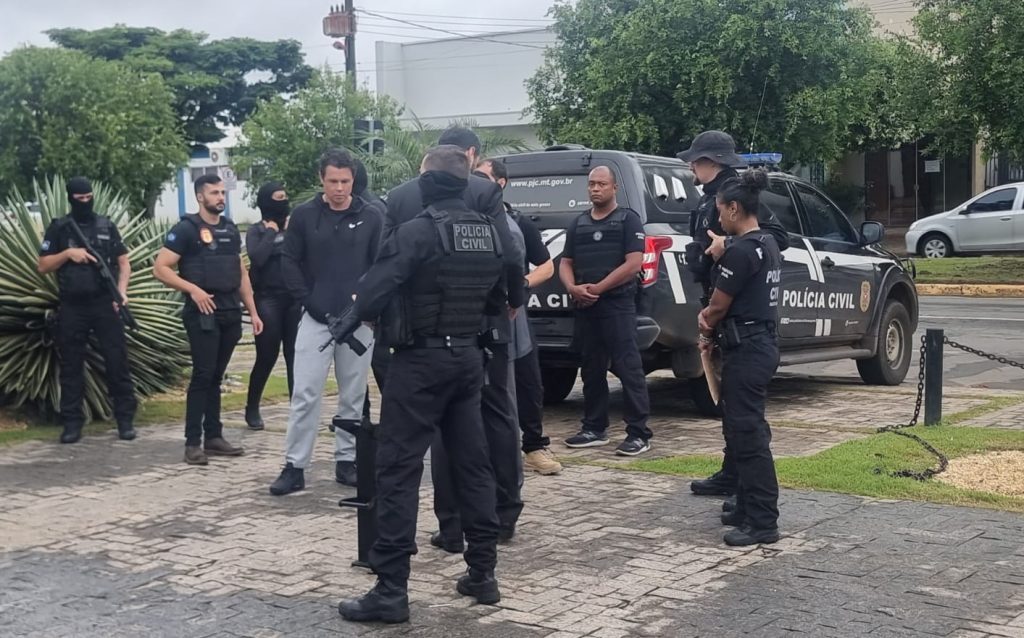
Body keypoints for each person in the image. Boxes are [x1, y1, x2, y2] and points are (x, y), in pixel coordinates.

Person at [333, 145, 519, 623]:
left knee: (398, 470)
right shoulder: (489, 232)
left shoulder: (417, 232)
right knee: (473, 466)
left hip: (419, 363)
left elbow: (374, 289)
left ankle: (391, 589)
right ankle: (483, 573)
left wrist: (364, 313)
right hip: (468, 362)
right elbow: (507, 291)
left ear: (427, 186)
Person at [385, 127, 526, 551]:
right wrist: (511, 301)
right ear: (468, 156)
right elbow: (510, 254)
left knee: (439, 434)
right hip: (482, 325)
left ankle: (450, 527)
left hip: (419, 333)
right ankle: (501, 518)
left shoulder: (399, 196)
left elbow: (384, 259)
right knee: (495, 418)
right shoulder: (483, 191)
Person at [677, 130, 790, 499]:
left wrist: (729, 245)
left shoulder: (736, 194)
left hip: (737, 309)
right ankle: (733, 473)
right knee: (730, 403)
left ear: (713, 163)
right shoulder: (709, 197)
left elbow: (774, 236)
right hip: (718, 298)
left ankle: (743, 482)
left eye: (696, 160)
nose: (691, 166)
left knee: (743, 411)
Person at [268, 149, 381, 495]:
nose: (339, 188)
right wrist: (310, 302)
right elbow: (289, 262)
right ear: (322, 179)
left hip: (357, 320)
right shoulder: (303, 216)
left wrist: (363, 306)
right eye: (333, 181)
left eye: (345, 181)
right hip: (316, 318)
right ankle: (295, 465)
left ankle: (346, 460)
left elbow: (379, 265)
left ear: (353, 180)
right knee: (304, 392)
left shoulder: (372, 216)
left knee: (353, 393)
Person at [697, 170, 782, 546]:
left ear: (734, 208)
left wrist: (704, 325)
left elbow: (716, 307)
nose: (718, 219)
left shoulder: (743, 250)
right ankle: (747, 507)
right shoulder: (766, 242)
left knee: (748, 436)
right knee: (744, 430)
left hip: (747, 349)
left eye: (720, 211)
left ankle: (763, 521)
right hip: (758, 345)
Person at [153, 174, 263, 465]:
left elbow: (240, 272)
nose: (220, 198)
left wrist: (252, 310)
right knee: (203, 375)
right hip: (202, 312)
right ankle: (192, 442)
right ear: (200, 197)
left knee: (217, 375)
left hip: (229, 310)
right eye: (214, 193)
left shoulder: (228, 228)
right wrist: (193, 290)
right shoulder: (186, 229)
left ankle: (214, 436)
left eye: (222, 193)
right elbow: (161, 267)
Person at [476, 158, 562, 476]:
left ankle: (534, 447)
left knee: (528, 382)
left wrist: (520, 286)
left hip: (514, 314)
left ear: (501, 183)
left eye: (483, 177)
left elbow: (546, 266)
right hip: (481, 318)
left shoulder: (516, 222)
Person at [560, 166, 653, 456]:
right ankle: (594, 428)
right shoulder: (579, 223)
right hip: (585, 307)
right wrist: (573, 288)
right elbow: (565, 261)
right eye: (591, 184)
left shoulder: (628, 220)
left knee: (628, 368)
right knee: (591, 368)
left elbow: (633, 264)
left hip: (617, 305)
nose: (595, 189)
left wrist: (597, 289)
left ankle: (638, 433)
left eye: (601, 184)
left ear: (614, 188)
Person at [38, 177, 137, 444]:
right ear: (70, 198)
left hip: (104, 303)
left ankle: (125, 420)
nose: (85, 202)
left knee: (117, 362)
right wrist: (68, 254)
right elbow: (44, 265)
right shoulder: (59, 228)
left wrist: (122, 292)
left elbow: (124, 263)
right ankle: (72, 423)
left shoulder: (106, 225)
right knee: (71, 366)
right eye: (79, 198)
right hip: (72, 306)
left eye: (88, 197)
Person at [243, 183, 300, 430]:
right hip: (267, 299)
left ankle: (298, 410)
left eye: (285, 198)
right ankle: (252, 406)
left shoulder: (294, 229)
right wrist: (271, 232)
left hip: (293, 299)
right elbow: (258, 257)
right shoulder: (256, 231)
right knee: (267, 356)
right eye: (278, 199)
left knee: (294, 356)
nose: (283, 202)